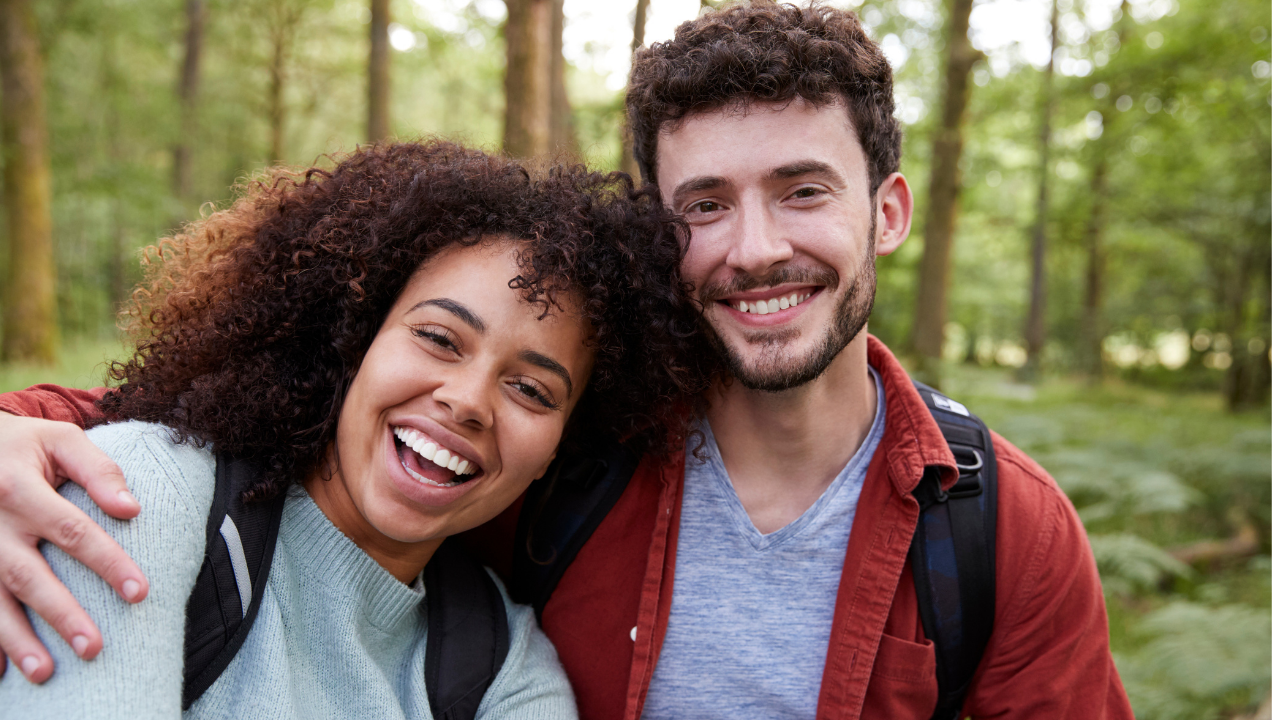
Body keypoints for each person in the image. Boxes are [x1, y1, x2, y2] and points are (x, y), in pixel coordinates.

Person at [0, 2, 1134, 719]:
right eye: (704, 205)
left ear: (885, 212)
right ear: (659, 232)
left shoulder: (996, 534)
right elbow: (200, 421)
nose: (754, 249)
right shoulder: (575, 444)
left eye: (801, 192)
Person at [0, 140, 705, 718]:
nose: (467, 401)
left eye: (530, 388)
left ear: (561, 446)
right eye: (438, 337)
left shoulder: (507, 672)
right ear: (354, 339)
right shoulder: (144, 490)